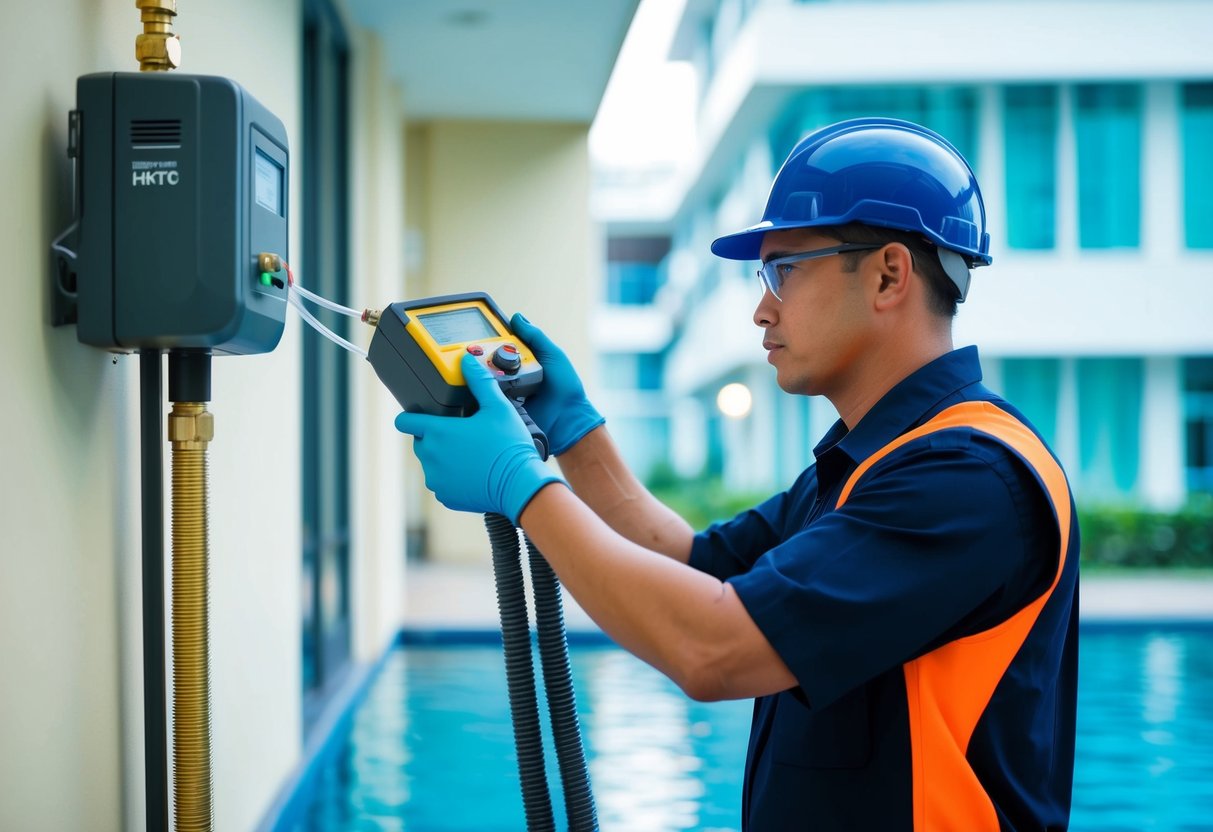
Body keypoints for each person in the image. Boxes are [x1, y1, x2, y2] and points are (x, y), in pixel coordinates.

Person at [394, 117, 1079, 831]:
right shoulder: (865, 464)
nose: (761, 308)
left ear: (887, 274)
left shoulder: (966, 480)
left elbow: (712, 649)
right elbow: (690, 565)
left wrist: (519, 484)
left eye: (784, 270)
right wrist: (573, 433)